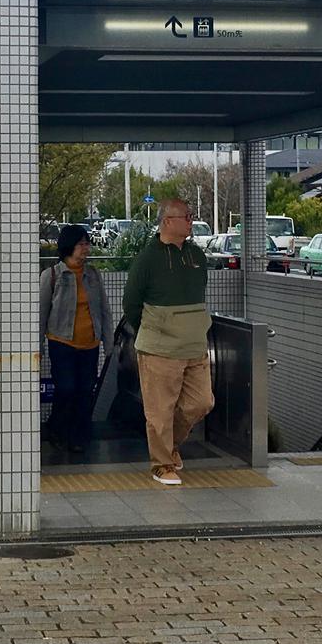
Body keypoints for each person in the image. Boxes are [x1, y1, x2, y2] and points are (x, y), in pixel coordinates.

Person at [121, 197, 211, 486]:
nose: (191, 220)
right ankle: (161, 464)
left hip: (195, 345)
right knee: (159, 410)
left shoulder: (198, 256)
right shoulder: (148, 258)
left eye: (191, 215)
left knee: (201, 403)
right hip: (159, 347)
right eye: (186, 215)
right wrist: (153, 328)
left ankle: (170, 446)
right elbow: (131, 303)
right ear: (167, 221)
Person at [40, 225, 108, 462]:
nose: (86, 248)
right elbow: (41, 314)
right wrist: (37, 347)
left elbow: (104, 311)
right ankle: (57, 429)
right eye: (82, 244)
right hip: (62, 342)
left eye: (87, 244)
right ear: (69, 246)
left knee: (84, 391)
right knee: (66, 388)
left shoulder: (93, 275)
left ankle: (78, 437)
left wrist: (108, 344)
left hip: (90, 344)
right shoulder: (53, 276)